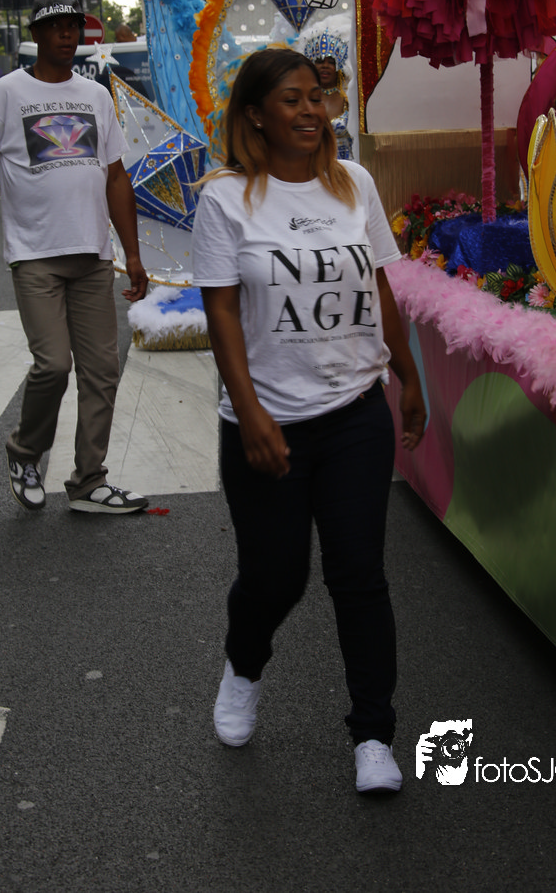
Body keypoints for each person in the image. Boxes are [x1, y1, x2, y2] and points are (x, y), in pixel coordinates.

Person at [191, 46, 426, 794]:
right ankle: (243, 665)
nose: (309, 111)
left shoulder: (354, 183)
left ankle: (373, 735)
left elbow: (379, 286)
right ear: (255, 114)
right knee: (275, 578)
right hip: (267, 425)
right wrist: (251, 413)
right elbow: (221, 313)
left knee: (359, 577)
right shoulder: (226, 199)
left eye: (315, 97)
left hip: (356, 414)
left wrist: (407, 375)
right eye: (290, 100)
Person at [0, 0, 150, 514]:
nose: (67, 35)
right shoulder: (6, 93)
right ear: (37, 34)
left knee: (102, 371)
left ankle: (89, 481)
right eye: (56, 27)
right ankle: (25, 452)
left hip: (92, 253)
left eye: (73, 27)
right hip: (35, 254)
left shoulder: (95, 96)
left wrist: (132, 254)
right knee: (52, 365)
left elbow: (116, 177)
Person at [302, 28, 354, 160]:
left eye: (331, 62)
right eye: (320, 61)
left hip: (345, 164)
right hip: (311, 163)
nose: (325, 66)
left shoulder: (350, 98)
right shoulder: (303, 99)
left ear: (339, 66)